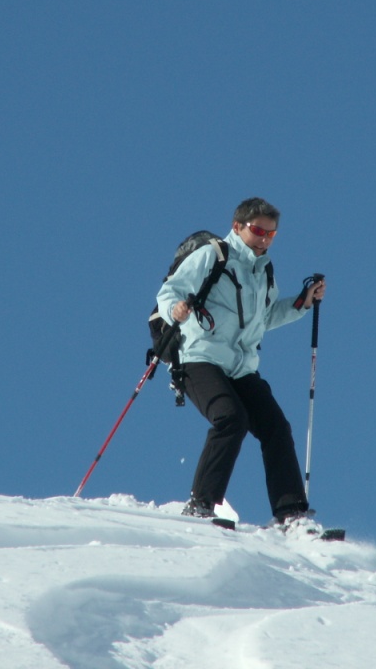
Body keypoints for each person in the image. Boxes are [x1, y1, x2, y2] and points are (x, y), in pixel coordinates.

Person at [156, 197, 326, 526]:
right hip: (198, 358)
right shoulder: (213, 255)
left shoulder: (264, 271)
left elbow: (264, 318)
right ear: (237, 226)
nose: (265, 239)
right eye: (259, 231)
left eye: (271, 234)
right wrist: (175, 308)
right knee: (230, 418)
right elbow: (169, 292)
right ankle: (201, 505)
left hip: (241, 367)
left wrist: (303, 303)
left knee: (276, 427)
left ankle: (291, 513)